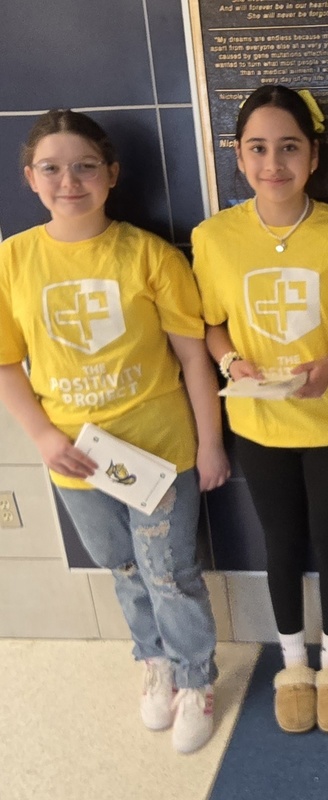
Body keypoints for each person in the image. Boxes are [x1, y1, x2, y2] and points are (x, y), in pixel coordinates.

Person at [0, 110, 230, 754]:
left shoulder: (149, 254)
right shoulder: (12, 260)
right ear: (30, 178)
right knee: (121, 566)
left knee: (170, 571)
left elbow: (192, 358)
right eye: (51, 167)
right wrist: (44, 438)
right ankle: (152, 662)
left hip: (157, 451)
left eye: (85, 166)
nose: (68, 180)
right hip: (72, 457)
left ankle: (195, 679)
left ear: (112, 175)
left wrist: (209, 445)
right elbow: (5, 364)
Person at [191, 85, 328, 735]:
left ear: (313, 156)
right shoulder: (213, 238)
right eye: (258, 148)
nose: (274, 163)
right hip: (258, 422)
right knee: (281, 541)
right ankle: (291, 662)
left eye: (289, 147)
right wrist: (229, 362)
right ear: (238, 158)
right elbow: (212, 325)